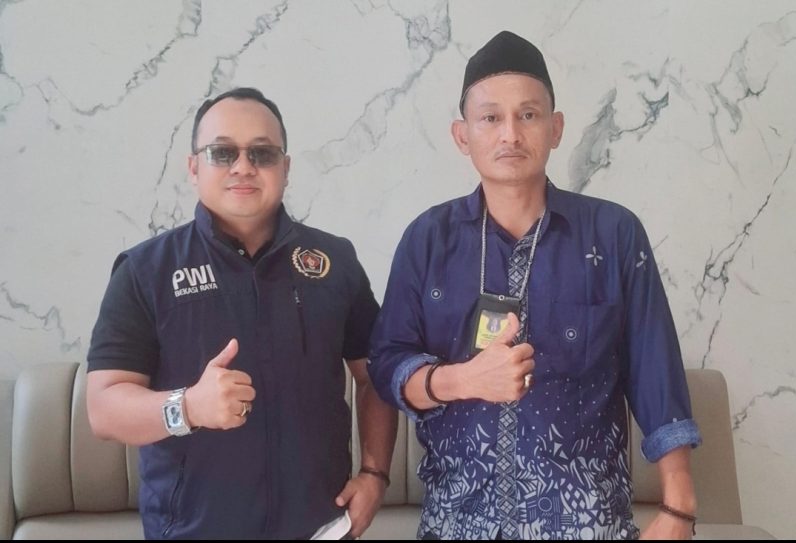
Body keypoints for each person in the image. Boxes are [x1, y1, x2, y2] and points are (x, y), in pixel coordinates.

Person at [368, 31, 701, 540]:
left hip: (587, 522)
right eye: (490, 118)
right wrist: (462, 380)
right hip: (458, 521)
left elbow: (655, 367)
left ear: (555, 128)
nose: (510, 134)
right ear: (462, 135)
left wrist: (679, 507)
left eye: (528, 115)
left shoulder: (612, 234)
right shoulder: (427, 240)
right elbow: (387, 363)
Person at [86, 87, 397, 539]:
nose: (243, 166)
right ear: (194, 167)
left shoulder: (334, 261)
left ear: (285, 168)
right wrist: (188, 407)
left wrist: (375, 474)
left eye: (262, 153)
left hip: (321, 528)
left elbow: (377, 376)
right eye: (222, 152)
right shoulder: (146, 270)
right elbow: (104, 408)